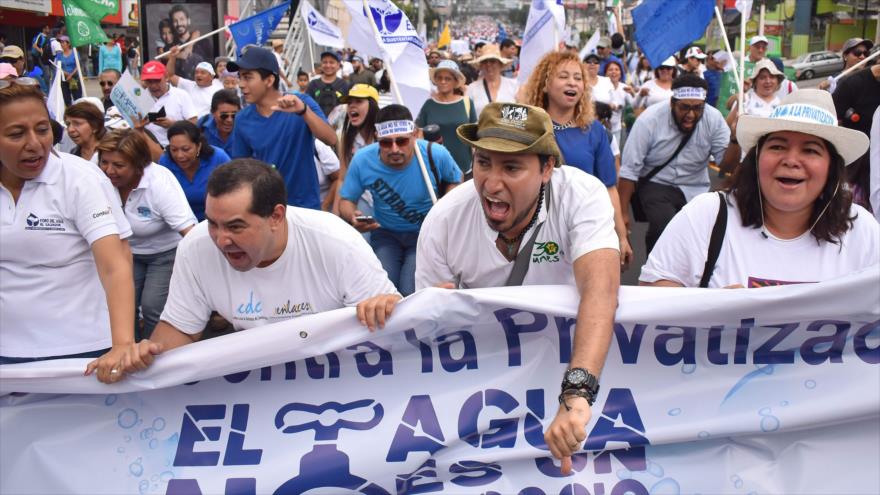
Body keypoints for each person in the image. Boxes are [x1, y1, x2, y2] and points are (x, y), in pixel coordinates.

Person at [414, 102, 620, 473]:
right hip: (484, 383)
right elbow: (428, 332)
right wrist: (431, 312)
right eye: (482, 163)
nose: (492, 184)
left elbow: (601, 291)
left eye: (511, 167)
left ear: (547, 169)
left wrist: (577, 392)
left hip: (563, 366)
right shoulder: (443, 220)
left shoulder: (582, 195)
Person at [120, 159, 402, 375]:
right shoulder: (196, 247)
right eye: (212, 223)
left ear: (276, 216)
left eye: (235, 226)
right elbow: (181, 329)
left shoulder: (337, 243)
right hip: (259, 379)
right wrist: (147, 358)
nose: (221, 239)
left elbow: (393, 328)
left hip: (337, 372)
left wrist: (386, 307)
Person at [640, 89, 877, 288]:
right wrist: (708, 310)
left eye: (810, 150)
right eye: (777, 147)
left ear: (831, 167)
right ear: (756, 158)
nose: (791, 160)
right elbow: (653, 297)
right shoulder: (707, 215)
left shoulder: (862, 230)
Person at [0, 80, 138, 384]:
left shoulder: (81, 179)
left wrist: (123, 344)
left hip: (82, 352)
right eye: (16, 134)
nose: (34, 143)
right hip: (7, 356)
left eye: (42, 129)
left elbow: (115, 263)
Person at [522, 51, 632, 269]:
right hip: (535, 228)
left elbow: (608, 189)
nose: (572, 82)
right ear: (544, 85)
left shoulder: (595, 132)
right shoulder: (527, 129)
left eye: (578, 77)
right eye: (563, 76)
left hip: (586, 226)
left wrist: (621, 236)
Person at [340, 105, 462, 296]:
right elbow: (346, 200)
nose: (394, 149)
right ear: (376, 137)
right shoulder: (363, 160)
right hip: (385, 234)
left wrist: (444, 205)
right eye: (386, 143)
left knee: (410, 291)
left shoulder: (435, 153)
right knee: (382, 290)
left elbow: (455, 180)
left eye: (402, 141)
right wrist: (353, 216)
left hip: (424, 234)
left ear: (415, 134)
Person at [97, 129, 197, 339]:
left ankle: (156, 354)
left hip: (165, 253)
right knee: (122, 304)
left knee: (152, 306)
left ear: (138, 164)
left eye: (119, 165)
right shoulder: (99, 180)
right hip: (126, 252)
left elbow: (189, 232)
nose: (109, 171)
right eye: (104, 162)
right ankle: (125, 349)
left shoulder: (159, 184)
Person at [619, 74, 730, 253]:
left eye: (697, 108)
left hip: (696, 186)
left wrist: (735, 141)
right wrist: (622, 213)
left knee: (697, 237)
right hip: (657, 183)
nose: (691, 115)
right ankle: (655, 273)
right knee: (664, 227)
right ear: (672, 103)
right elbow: (629, 170)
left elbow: (726, 167)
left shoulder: (714, 119)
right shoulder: (649, 120)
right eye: (684, 108)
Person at [228, 46, 337, 210]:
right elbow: (241, 168)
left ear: (269, 80)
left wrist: (303, 111)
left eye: (248, 77)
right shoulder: (242, 119)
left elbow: (331, 139)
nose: (241, 84)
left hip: (304, 206)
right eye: (240, 77)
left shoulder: (301, 102)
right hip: (265, 209)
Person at [159, 121, 231, 221]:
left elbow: (234, 189)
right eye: (174, 150)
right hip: (178, 222)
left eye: (185, 149)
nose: (179, 155)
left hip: (216, 220)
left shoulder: (218, 158)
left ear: (198, 146)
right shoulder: (165, 162)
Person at [416, 60, 477, 175]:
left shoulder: (467, 102)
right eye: (439, 78)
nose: (443, 81)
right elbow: (419, 134)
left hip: (464, 166)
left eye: (448, 78)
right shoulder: (428, 104)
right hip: (435, 167)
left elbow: (474, 135)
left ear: (455, 82)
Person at [141, 60, 198, 147]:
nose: (153, 86)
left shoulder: (181, 95)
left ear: (166, 77)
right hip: (146, 147)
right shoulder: (140, 96)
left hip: (175, 148)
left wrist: (173, 125)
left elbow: (194, 123)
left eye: (157, 81)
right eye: (149, 81)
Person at [165, 45, 223, 119]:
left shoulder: (218, 90)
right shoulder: (189, 85)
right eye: (196, 72)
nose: (198, 75)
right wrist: (172, 57)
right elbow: (170, 75)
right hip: (189, 126)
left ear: (211, 76)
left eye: (202, 73)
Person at [466, 44, 519, 116]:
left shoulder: (514, 86)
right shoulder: (472, 89)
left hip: (508, 127)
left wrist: (498, 115)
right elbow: (467, 117)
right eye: (485, 61)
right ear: (481, 65)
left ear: (500, 64)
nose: (488, 64)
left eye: (492, 61)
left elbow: (523, 117)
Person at [168, 5, 210, 79]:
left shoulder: (204, 42)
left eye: (182, 19)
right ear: (172, 24)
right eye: (175, 21)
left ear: (188, 21)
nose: (179, 24)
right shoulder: (170, 47)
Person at [306, 51, 349, 117]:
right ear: (321, 64)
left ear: (338, 65)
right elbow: (307, 106)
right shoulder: (313, 84)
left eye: (331, 62)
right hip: (315, 123)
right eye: (325, 62)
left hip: (336, 125)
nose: (328, 65)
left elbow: (346, 107)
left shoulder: (343, 85)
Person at [200, 89, 240, 154]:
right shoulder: (202, 125)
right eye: (224, 115)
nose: (229, 120)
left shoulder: (247, 130)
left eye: (234, 115)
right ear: (212, 112)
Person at [605, 59, 634, 146]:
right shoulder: (601, 86)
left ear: (621, 73)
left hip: (617, 127)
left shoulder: (624, 87)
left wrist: (632, 92)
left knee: (615, 153)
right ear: (605, 73)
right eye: (610, 69)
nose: (614, 72)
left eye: (617, 69)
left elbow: (634, 104)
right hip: (602, 127)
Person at [56, 36, 82, 106]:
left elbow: (78, 65)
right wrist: (66, 74)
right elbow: (58, 67)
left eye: (63, 42)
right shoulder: (59, 55)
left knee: (77, 98)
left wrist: (71, 75)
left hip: (74, 78)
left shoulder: (75, 53)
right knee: (66, 99)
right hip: (64, 79)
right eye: (60, 43)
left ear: (68, 44)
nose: (61, 44)